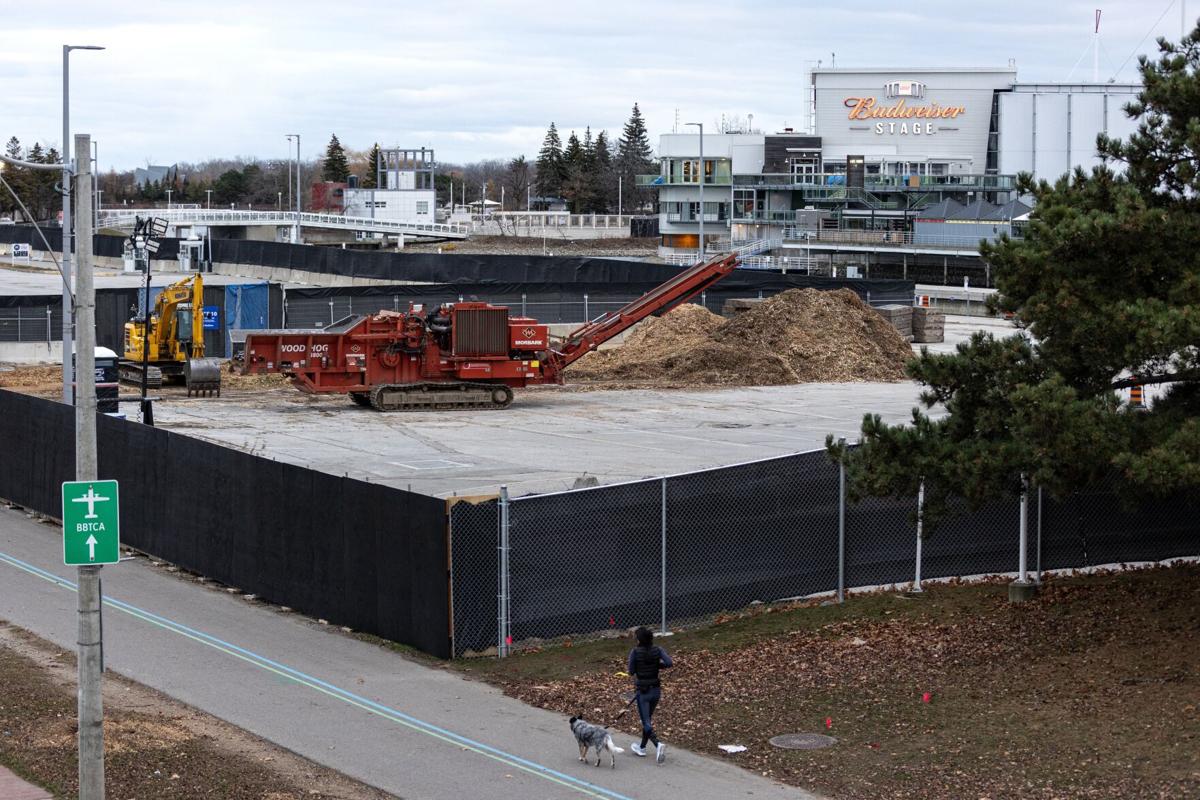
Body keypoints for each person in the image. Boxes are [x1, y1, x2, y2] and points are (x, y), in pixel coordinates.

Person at [627, 626, 672, 763]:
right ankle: (641, 748)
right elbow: (669, 663)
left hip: (643, 692)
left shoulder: (635, 652)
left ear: (639, 639)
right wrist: (658, 666)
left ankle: (658, 744)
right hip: (656, 691)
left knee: (646, 721)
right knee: (648, 721)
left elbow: (631, 671)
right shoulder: (658, 650)